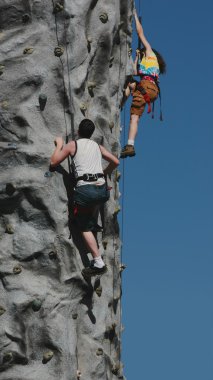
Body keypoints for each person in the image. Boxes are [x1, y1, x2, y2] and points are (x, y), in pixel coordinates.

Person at [50, 119, 119, 276]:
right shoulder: (97, 146)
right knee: (90, 208)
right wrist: (105, 172)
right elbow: (115, 161)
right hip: (101, 190)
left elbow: (53, 162)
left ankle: (98, 262)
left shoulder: (73, 145)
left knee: (83, 226)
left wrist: (59, 145)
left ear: (78, 131)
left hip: (85, 190)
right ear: (91, 133)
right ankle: (92, 223)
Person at [120, 10, 166, 158]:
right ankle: (122, 104)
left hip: (145, 86)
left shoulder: (150, 52)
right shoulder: (153, 66)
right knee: (132, 85)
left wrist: (134, 17)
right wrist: (136, 61)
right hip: (152, 90)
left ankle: (130, 145)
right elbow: (133, 72)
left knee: (134, 117)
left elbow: (140, 33)